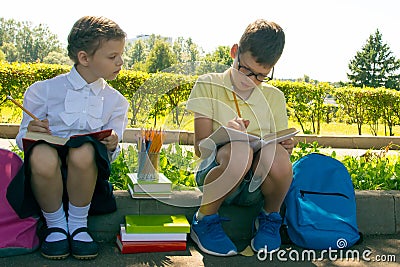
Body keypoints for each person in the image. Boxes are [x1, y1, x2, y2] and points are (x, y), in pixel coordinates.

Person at [10, 16, 129, 260]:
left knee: (84, 149)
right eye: (112, 56)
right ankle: (55, 225)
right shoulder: (43, 91)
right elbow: (22, 140)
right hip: (44, 177)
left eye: (120, 54)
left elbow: (111, 156)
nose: (121, 62)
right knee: (42, 152)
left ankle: (77, 225)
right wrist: (32, 130)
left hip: (88, 181)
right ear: (84, 58)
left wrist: (113, 142)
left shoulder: (117, 102)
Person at [186, 19, 294, 256]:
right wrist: (226, 133)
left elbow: (277, 154)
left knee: (278, 156)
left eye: (261, 75)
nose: (251, 80)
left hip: (254, 185)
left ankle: (269, 218)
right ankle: (205, 219)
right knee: (239, 150)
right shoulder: (208, 84)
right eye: (245, 69)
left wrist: (285, 147)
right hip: (216, 175)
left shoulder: (274, 97)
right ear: (234, 52)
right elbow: (200, 148)